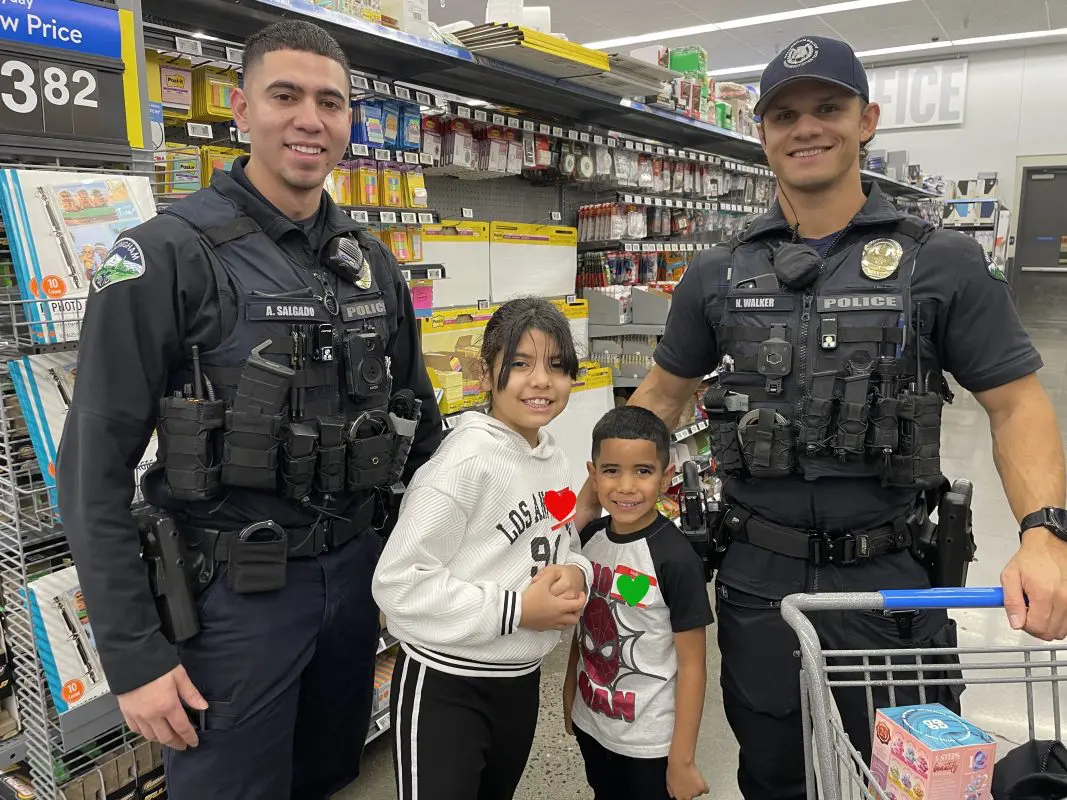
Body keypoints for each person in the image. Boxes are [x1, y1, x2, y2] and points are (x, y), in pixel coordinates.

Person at [575, 34, 1067, 800]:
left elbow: (1014, 404)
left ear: (865, 119)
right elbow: (662, 400)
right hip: (755, 581)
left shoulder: (936, 260)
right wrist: (587, 509)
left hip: (890, 581)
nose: (806, 128)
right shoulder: (719, 271)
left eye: (827, 108)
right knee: (772, 771)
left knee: (902, 778)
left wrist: (1043, 533)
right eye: (784, 115)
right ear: (762, 133)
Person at [56, 20, 442, 800]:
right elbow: (91, 468)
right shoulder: (164, 255)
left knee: (327, 774)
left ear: (347, 124)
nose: (309, 119)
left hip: (355, 583)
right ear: (240, 110)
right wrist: (134, 657)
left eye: (330, 103)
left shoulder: (369, 262)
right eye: (285, 95)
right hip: (234, 599)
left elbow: (421, 432)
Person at [372, 296, 594, 800]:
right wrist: (517, 608)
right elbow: (397, 584)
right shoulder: (463, 466)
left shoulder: (548, 454)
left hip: (520, 680)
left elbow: (562, 539)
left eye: (556, 367)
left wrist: (577, 572)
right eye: (519, 364)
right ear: (483, 372)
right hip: (447, 687)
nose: (540, 381)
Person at [564, 406, 713, 800]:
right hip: (592, 725)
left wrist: (681, 760)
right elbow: (585, 628)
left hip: (650, 745)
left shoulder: (675, 559)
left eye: (643, 472)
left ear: (665, 478)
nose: (626, 486)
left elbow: (693, 665)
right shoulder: (589, 540)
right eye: (611, 470)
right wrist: (569, 695)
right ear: (593, 475)